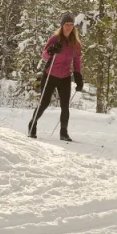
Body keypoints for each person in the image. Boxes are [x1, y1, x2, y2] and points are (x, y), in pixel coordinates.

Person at [29, 12, 83, 141]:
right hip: (50, 75)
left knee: (65, 105)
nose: (69, 27)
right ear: (62, 25)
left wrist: (78, 76)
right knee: (44, 103)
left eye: (71, 24)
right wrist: (51, 50)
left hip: (65, 77)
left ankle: (63, 132)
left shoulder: (75, 43)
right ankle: (33, 124)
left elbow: (77, 61)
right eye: (66, 24)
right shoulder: (55, 39)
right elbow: (44, 56)